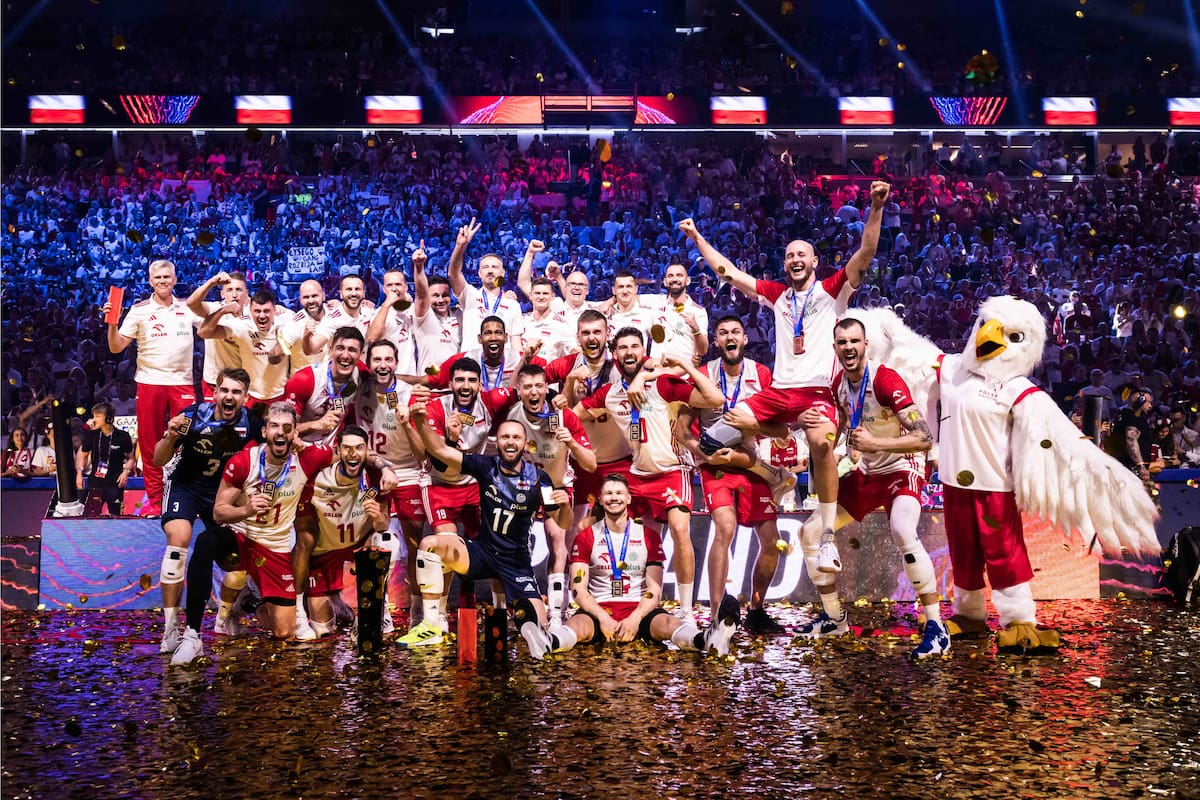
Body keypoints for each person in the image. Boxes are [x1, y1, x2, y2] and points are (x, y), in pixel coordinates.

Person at [681, 180, 890, 567]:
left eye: (802, 255)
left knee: (823, 445)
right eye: (790, 254)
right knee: (712, 440)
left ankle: (827, 536)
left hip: (815, 394)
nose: (795, 259)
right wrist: (696, 237)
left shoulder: (832, 290)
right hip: (778, 394)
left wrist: (875, 208)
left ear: (813, 262)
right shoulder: (776, 295)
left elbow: (867, 252)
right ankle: (774, 473)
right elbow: (728, 273)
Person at [792, 318, 947, 660]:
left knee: (903, 529)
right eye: (842, 342)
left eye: (855, 341)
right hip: (867, 471)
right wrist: (818, 449)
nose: (848, 347)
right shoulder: (838, 384)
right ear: (835, 348)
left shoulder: (885, 379)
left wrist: (876, 443)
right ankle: (834, 618)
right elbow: (843, 427)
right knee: (810, 531)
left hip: (901, 466)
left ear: (866, 346)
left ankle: (937, 626)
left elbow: (923, 438)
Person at [574, 327, 725, 625]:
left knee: (680, 531)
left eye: (634, 347)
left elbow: (715, 397)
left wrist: (685, 366)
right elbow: (571, 414)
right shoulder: (610, 393)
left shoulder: (663, 385)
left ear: (644, 352)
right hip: (637, 474)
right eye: (622, 348)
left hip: (672, 471)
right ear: (614, 354)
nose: (628, 352)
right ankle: (611, 602)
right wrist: (567, 392)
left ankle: (685, 611)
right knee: (608, 530)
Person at [408, 397, 573, 660]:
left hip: (516, 563)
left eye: (516, 437)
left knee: (539, 632)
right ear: (498, 441)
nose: (510, 442)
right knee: (431, 544)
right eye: (505, 437)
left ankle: (545, 632)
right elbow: (441, 452)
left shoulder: (539, 479)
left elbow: (563, 523)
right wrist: (419, 422)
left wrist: (565, 507)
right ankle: (430, 624)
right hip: (482, 553)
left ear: (524, 444)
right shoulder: (486, 467)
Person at [544, 474, 740, 656]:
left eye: (619, 493)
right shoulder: (586, 537)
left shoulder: (649, 536)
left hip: (639, 609)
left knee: (668, 623)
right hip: (599, 608)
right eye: (609, 494)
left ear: (629, 498)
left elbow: (654, 590)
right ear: (600, 500)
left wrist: (635, 619)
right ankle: (548, 642)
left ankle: (707, 640)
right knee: (577, 626)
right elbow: (578, 590)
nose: (614, 498)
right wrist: (603, 618)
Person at [395, 357, 517, 645]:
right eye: (459, 380)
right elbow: (436, 462)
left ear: (480, 384)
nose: (465, 386)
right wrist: (451, 438)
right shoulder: (436, 408)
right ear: (450, 384)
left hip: (474, 487)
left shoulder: (492, 401)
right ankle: (434, 621)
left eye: (471, 380)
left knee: (495, 545)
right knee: (445, 545)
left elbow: (523, 389)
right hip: (439, 485)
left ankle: (502, 615)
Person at [677, 315, 786, 634]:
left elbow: (781, 428)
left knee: (771, 540)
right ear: (716, 342)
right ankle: (716, 615)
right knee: (725, 527)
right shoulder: (704, 375)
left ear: (745, 338)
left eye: (736, 331)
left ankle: (756, 609)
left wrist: (747, 425)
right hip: (717, 467)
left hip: (751, 463)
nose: (730, 337)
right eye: (723, 333)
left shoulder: (761, 374)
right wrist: (704, 454)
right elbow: (682, 430)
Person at [151, 368, 263, 662]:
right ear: (215, 392)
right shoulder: (192, 417)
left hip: (221, 496)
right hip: (185, 488)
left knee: (233, 561)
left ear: (245, 397)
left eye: (236, 392)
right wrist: (171, 435)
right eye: (224, 390)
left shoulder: (251, 423)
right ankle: (171, 627)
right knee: (179, 541)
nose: (229, 396)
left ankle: (227, 616)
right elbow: (158, 458)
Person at [208, 402, 330, 654]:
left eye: (287, 428)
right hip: (242, 535)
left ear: (295, 432)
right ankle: (223, 614)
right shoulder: (244, 461)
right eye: (274, 426)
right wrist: (246, 510)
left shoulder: (307, 459)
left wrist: (384, 469)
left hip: (275, 546)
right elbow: (218, 512)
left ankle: (247, 603)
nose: (280, 432)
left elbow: (349, 452)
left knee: (284, 632)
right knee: (231, 563)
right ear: (264, 432)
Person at [105, 259, 202, 516]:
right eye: (157, 277)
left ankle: (190, 498)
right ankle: (157, 503)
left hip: (183, 383)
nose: (162, 281)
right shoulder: (138, 311)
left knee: (190, 442)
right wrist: (112, 322)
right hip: (149, 383)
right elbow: (116, 347)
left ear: (175, 279)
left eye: (167, 277)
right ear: (150, 281)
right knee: (150, 445)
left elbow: (211, 328)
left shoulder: (188, 307)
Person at [505, 363, 596, 626]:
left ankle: (557, 613)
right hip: (523, 485)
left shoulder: (564, 416)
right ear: (519, 390)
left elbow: (590, 464)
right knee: (513, 545)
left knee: (558, 540)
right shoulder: (512, 416)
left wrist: (572, 443)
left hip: (555, 486)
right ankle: (514, 608)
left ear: (546, 388)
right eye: (528, 387)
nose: (534, 392)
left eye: (538, 386)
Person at [352, 339, 427, 630]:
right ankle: (376, 610)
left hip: (408, 472)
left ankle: (418, 612)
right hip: (372, 471)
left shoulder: (411, 395)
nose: (383, 365)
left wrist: (407, 423)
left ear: (397, 363)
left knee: (414, 544)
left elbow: (423, 453)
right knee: (374, 540)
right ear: (368, 363)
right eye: (377, 360)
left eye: (388, 359)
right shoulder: (359, 390)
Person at [292, 424, 392, 641]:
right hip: (325, 548)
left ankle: (380, 609)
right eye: (347, 448)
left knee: (389, 541)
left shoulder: (376, 478)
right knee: (322, 630)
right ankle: (329, 606)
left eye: (359, 448)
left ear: (367, 451)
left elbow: (383, 525)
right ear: (338, 450)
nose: (353, 454)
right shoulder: (317, 476)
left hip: (358, 543)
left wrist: (377, 517)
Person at [198, 289, 288, 408]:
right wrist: (222, 311)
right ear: (250, 311)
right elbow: (204, 333)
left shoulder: (286, 323)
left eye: (266, 311)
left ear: (274, 311)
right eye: (257, 311)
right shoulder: (242, 326)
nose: (262, 315)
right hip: (251, 395)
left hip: (281, 394)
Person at [449, 217, 522, 362]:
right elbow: (453, 273)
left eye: (494, 267)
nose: (490, 271)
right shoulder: (469, 295)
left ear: (502, 273)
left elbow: (516, 344)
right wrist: (460, 246)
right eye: (485, 267)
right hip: (471, 366)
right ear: (479, 273)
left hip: (504, 366)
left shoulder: (513, 305)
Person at [284, 326, 368, 445]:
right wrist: (315, 425)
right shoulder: (304, 380)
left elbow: (385, 383)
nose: (345, 355)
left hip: (334, 449)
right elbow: (285, 430)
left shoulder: (361, 373)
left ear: (360, 354)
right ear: (330, 350)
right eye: (340, 348)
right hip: (301, 447)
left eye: (352, 350)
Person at [185, 271, 249, 400]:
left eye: (239, 290)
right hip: (214, 381)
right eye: (229, 290)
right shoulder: (214, 308)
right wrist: (212, 282)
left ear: (246, 293)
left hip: (244, 381)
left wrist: (279, 310)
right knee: (214, 420)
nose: (234, 294)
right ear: (222, 293)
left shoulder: (254, 313)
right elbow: (191, 303)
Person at [642, 263, 710, 367]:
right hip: (657, 373)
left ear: (688, 281)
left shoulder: (698, 311)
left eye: (679, 275)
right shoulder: (655, 302)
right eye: (670, 276)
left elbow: (703, 351)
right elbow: (629, 297)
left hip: (685, 375)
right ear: (665, 282)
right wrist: (610, 302)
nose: (674, 279)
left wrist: (695, 328)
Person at [75, 402, 136, 516]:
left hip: (115, 483)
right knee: (92, 515)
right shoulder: (92, 435)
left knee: (116, 515)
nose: (94, 420)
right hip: (95, 482)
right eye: (93, 416)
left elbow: (131, 458)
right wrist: (79, 473)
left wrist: (126, 472)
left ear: (108, 418)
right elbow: (83, 455)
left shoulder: (122, 436)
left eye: (97, 416)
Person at [411, 244, 463, 374]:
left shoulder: (459, 315)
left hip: (455, 383)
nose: (441, 300)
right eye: (435, 296)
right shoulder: (423, 318)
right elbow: (421, 294)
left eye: (445, 295)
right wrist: (419, 267)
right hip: (429, 386)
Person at [365, 266, 417, 377]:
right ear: (384, 289)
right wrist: (387, 304)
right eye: (389, 285)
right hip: (390, 379)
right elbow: (372, 338)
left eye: (398, 284)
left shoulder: (415, 309)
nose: (394, 288)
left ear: (405, 287)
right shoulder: (380, 313)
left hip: (413, 379)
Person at [278, 279, 329, 375]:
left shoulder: (333, 313)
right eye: (306, 297)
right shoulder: (294, 324)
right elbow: (280, 351)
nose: (311, 300)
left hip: (329, 382)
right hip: (304, 383)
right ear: (300, 300)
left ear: (323, 295)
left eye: (314, 296)